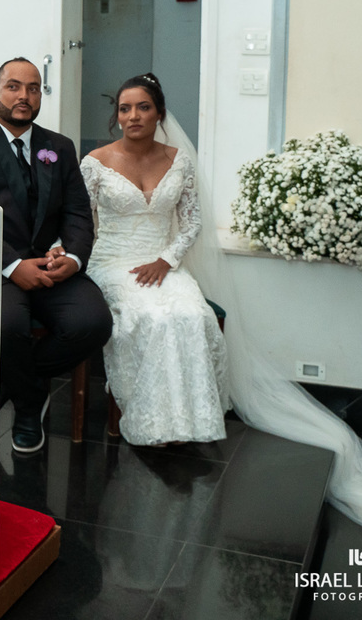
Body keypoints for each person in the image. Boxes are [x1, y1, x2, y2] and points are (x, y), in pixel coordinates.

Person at [0, 57, 112, 453]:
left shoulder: (59, 147)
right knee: (7, 327)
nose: (24, 96)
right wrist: (12, 266)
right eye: (14, 86)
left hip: (52, 267)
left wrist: (73, 258)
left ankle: (15, 387)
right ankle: (31, 405)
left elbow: (78, 213)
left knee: (94, 322)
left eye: (33, 88)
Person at [80, 73, 230, 446]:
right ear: (117, 116)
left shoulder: (180, 161)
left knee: (191, 315)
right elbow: (78, 221)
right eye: (125, 109)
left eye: (143, 107)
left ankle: (188, 420)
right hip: (113, 262)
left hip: (163, 262)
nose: (133, 116)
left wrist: (166, 260)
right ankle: (152, 419)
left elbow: (192, 222)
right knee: (153, 318)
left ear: (159, 113)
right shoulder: (95, 162)